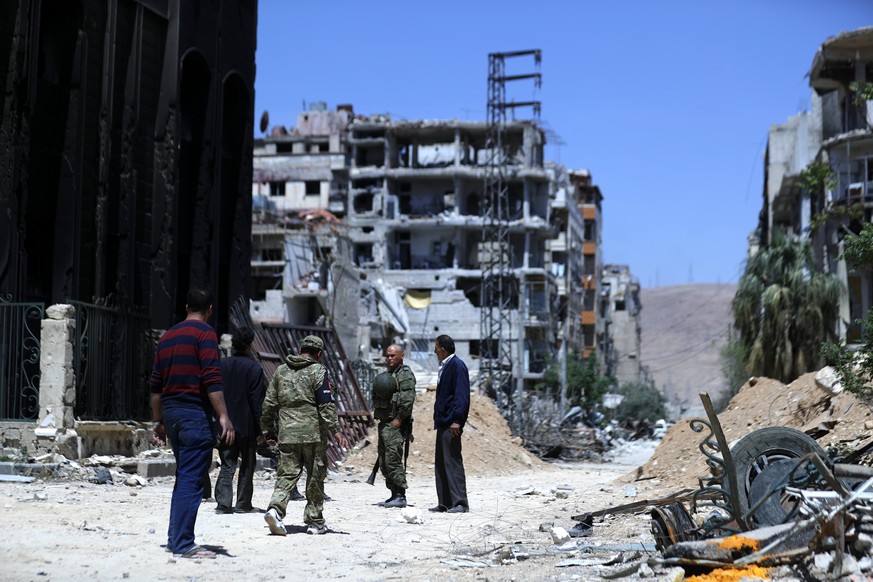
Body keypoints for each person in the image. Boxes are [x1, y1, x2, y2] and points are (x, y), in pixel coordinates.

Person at [150, 287, 235, 558]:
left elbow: (155, 387)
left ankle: (176, 539)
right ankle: (184, 543)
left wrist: (158, 421)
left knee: (184, 476)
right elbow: (211, 378)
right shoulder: (205, 334)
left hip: (172, 415)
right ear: (210, 309)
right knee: (191, 479)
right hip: (193, 414)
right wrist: (223, 415)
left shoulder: (166, 338)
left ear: (186, 307)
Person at [260, 335, 348, 536]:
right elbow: (325, 404)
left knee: (287, 475)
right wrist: (336, 429)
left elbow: (269, 403)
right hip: (312, 434)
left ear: (300, 350)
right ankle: (315, 521)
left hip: (287, 433)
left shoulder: (281, 371)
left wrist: (266, 429)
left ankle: (275, 510)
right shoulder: (318, 370)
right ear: (319, 354)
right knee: (315, 476)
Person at [215, 327, 266, 514]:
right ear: (250, 345)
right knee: (247, 464)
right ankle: (243, 504)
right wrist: (263, 429)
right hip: (247, 425)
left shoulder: (222, 365)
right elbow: (257, 402)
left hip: (225, 423)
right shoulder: (254, 368)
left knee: (227, 464)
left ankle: (223, 503)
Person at [430, 334, 470, 514]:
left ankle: (460, 502)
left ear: (443, 349)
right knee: (441, 463)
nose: (434, 350)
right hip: (443, 422)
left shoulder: (457, 366)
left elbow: (462, 396)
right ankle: (445, 502)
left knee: (452, 462)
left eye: (436, 347)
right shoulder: (445, 367)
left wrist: (457, 420)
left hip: (451, 423)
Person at [373, 344, 416, 508]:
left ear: (401, 356)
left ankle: (400, 495)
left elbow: (407, 399)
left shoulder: (404, 374)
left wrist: (399, 419)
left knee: (393, 460)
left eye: (393, 355)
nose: (390, 358)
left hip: (394, 425)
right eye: (388, 355)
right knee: (384, 462)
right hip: (385, 424)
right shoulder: (390, 374)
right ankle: (393, 494)